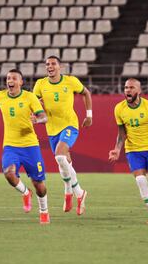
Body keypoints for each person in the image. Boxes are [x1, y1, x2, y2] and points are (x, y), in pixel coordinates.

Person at [0, 69, 50, 224]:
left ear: (20, 82)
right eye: (8, 78)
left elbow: (44, 116)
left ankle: (44, 211)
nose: (9, 80)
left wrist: (36, 121)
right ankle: (25, 193)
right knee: (9, 173)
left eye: (13, 78)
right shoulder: (0, 96)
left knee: (39, 185)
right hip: (11, 146)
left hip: (30, 146)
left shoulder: (29, 97)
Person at [33, 56, 92, 215]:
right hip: (52, 129)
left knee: (60, 156)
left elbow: (86, 93)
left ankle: (78, 192)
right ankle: (68, 192)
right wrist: (37, 113)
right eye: (47, 64)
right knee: (65, 162)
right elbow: (35, 103)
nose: (50, 66)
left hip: (69, 125)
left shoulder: (71, 81)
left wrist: (89, 115)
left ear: (60, 67)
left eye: (53, 64)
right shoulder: (40, 84)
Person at [109, 78, 148, 224]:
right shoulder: (119, 108)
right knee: (141, 181)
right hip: (132, 150)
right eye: (125, 88)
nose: (127, 91)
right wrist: (117, 149)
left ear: (139, 91)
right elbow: (121, 132)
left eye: (131, 88)